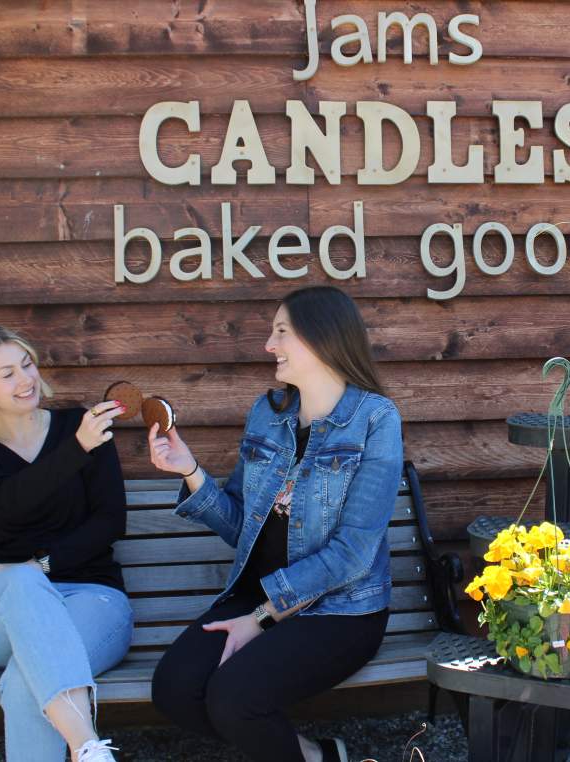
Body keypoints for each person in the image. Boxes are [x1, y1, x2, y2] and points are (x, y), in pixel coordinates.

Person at [148, 286, 403, 762]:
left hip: (341, 611)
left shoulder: (375, 419)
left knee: (233, 699)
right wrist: (189, 470)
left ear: (321, 338)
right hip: (257, 594)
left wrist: (261, 620)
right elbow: (242, 525)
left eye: (281, 332)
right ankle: (314, 756)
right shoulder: (269, 414)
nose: (269, 345)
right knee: (175, 690)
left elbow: (352, 554)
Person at [0, 325, 134, 762]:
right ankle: (86, 745)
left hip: (92, 597)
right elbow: (9, 504)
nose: (25, 379)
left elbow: (110, 521)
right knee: (26, 588)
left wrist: (37, 566)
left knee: (25, 679)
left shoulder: (79, 425)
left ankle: (87, 750)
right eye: (7, 373)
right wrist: (76, 450)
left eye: (26, 364)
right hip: (1, 611)